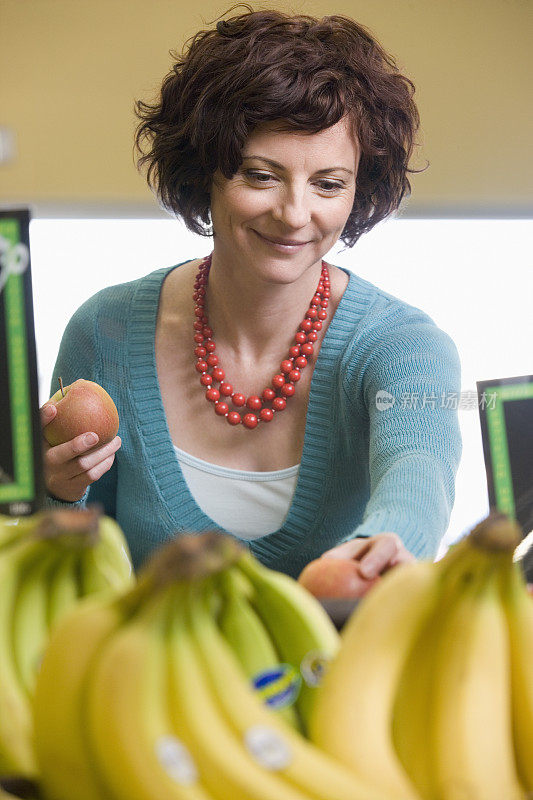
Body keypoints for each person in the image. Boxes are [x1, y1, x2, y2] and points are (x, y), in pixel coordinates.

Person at [40, 7, 462, 589]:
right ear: (205, 171)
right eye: (261, 175)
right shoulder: (103, 331)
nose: (294, 215)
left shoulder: (405, 346)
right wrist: (55, 493)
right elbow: (69, 568)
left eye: (329, 184)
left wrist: (382, 546)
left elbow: (420, 473)